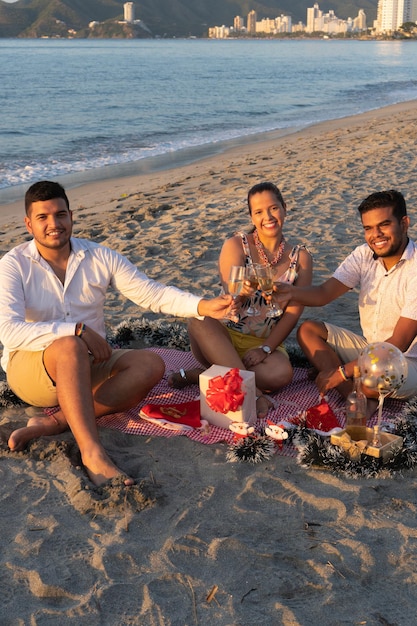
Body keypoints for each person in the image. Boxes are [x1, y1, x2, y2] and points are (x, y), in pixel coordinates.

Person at [0, 180, 234, 487]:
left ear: (71, 215)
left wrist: (203, 305)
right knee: (69, 345)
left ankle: (56, 422)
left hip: (89, 364)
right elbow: (9, 331)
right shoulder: (14, 265)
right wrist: (76, 331)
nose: (53, 224)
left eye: (60, 215)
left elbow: (150, 293)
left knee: (151, 365)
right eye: (43, 218)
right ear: (29, 224)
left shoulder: (99, 256)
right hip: (32, 371)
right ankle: (92, 452)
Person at [168, 182, 313, 417]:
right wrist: (241, 293)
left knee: (281, 375)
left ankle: (204, 375)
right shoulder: (236, 245)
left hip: (265, 343)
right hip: (222, 337)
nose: (268, 216)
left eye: (274, 208)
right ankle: (254, 394)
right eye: (258, 212)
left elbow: (293, 313)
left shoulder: (302, 258)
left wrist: (266, 348)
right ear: (252, 216)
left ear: (284, 208)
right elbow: (229, 296)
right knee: (198, 320)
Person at [274, 190, 417, 415]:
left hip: (407, 362)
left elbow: (398, 342)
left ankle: (354, 391)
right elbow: (323, 294)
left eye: (384, 225)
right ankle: (358, 397)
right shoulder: (363, 255)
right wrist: (289, 292)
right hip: (370, 350)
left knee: (373, 376)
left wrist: (341, 371)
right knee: (308, 330)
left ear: (405, 223)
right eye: (368, 228)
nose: (376, 235)